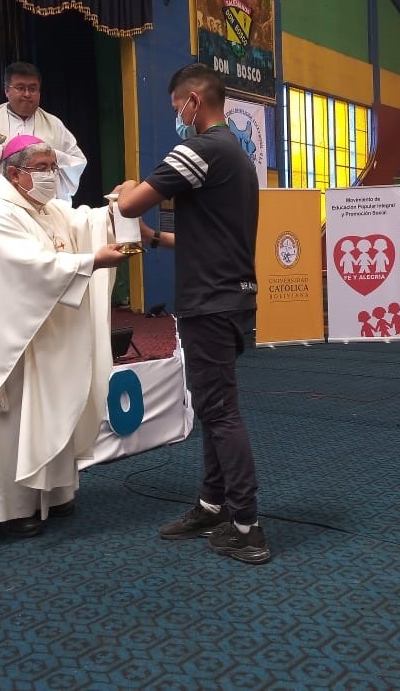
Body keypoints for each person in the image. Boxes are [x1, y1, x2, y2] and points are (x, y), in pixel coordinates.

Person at [116, 63, 269, 565]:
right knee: (211, 404)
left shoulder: (198, 150)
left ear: (193, 102)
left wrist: (125, 189)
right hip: (233, 297)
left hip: (209, 301)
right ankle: (212, 504)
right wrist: (156, 238)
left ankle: (246, 526)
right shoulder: (238, 157)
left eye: (175, 107)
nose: (176, 117)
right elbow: (210, 238)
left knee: (220, 410)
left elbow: (131, 204)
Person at [0, 134, 129, 538]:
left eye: (52, 167)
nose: (50, 175)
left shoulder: (48, 209)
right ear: (13, 174)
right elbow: (31, 267)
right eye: (41, 168)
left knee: (50, 406)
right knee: (10, 423)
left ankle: (54, 492)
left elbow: (85, 222)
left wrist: (116, 209)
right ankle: (2, 508)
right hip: (9, 343)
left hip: (45, 335)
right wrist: (92, 261)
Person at [0, 61, 87, 219]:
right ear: (6, 90)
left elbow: (77, 162)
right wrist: (1, 152)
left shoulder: (54, 125)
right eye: (20, 88)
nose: (27, 94)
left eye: (33, 89)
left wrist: (51, 156)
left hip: (43, 210)